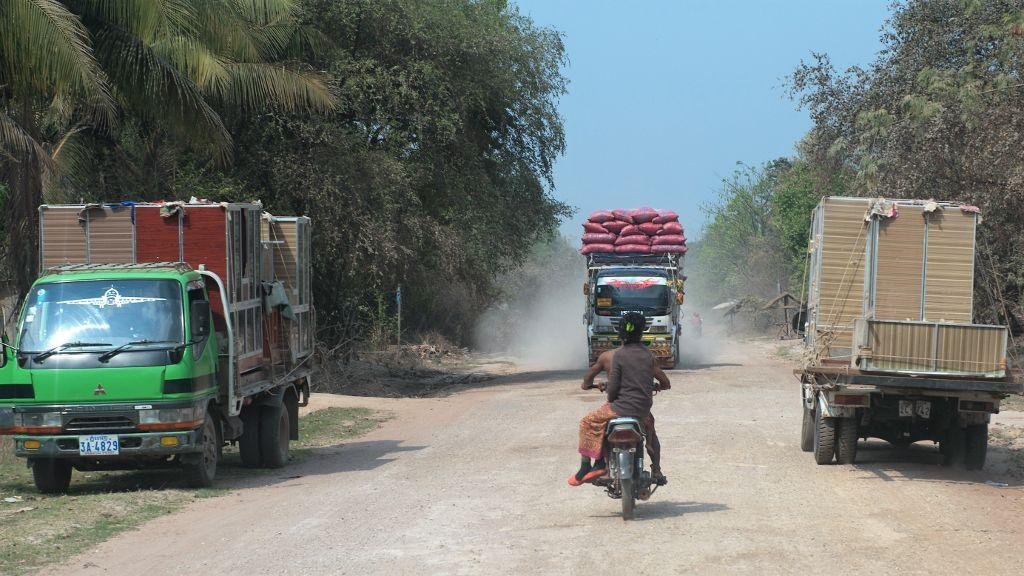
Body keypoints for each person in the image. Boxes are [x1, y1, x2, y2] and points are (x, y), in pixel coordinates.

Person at [569, 312, 671, 486]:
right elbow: (665, 382)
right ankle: (657, 469)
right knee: (652, 437)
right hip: (642, 410)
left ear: (620, 332)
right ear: (641, 332)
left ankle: (588, 466)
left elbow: (613, 386)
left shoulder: (616, 355)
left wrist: (610, 395)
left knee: (587, 422)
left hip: (619, 407)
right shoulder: (648, 356)